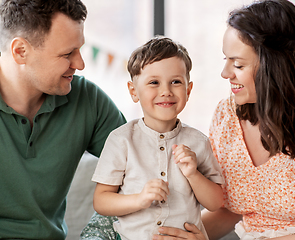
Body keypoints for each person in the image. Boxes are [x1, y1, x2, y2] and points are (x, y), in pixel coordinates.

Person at [81, 0, 295, 239]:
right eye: (225, 60)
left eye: (238, 64)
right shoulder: (228, 115)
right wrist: (187, 233)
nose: (225, 73)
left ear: (277, 66)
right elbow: (229, 209)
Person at [0, 0, 126, 239]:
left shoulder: (88, 100)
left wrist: (100, 233)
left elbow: (143, 167)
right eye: (68, 53)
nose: (80, 64)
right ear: (20, 51)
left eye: (79, 49)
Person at [90, 36, 224, 240]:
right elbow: (101, 201)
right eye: (154, 82)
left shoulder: (199, 142)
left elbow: (216, 203)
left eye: (176, 82)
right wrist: (140, 199)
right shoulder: (121, 140)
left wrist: (193, 174)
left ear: (188, 90)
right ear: (133, 91)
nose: (166, 91)